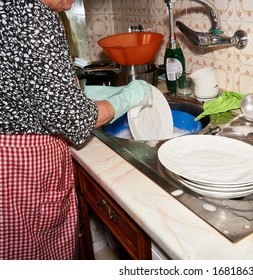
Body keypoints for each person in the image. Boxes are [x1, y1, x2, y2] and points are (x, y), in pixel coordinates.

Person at [0, 0, 152, 259]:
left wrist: (74, 93)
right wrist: (128, 97)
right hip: (24, 168)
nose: (70, 6)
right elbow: (72, 119)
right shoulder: (34, 15)